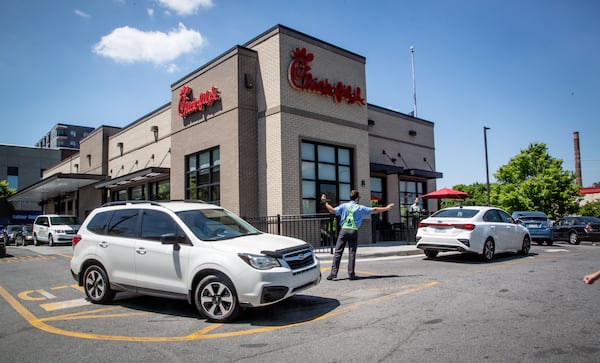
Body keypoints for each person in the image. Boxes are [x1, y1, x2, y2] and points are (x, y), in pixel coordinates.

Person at [321, 190, 394, 281]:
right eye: (359, 198)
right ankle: (351, 274)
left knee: (338, 252)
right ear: (357, 198)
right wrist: (386, 208)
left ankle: (333, 274)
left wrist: (325, 203)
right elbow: (374, 210)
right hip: (353, 231)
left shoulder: (344, 206)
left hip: (343, 230)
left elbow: (332, 210)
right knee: (352, 253)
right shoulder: (360, 208)